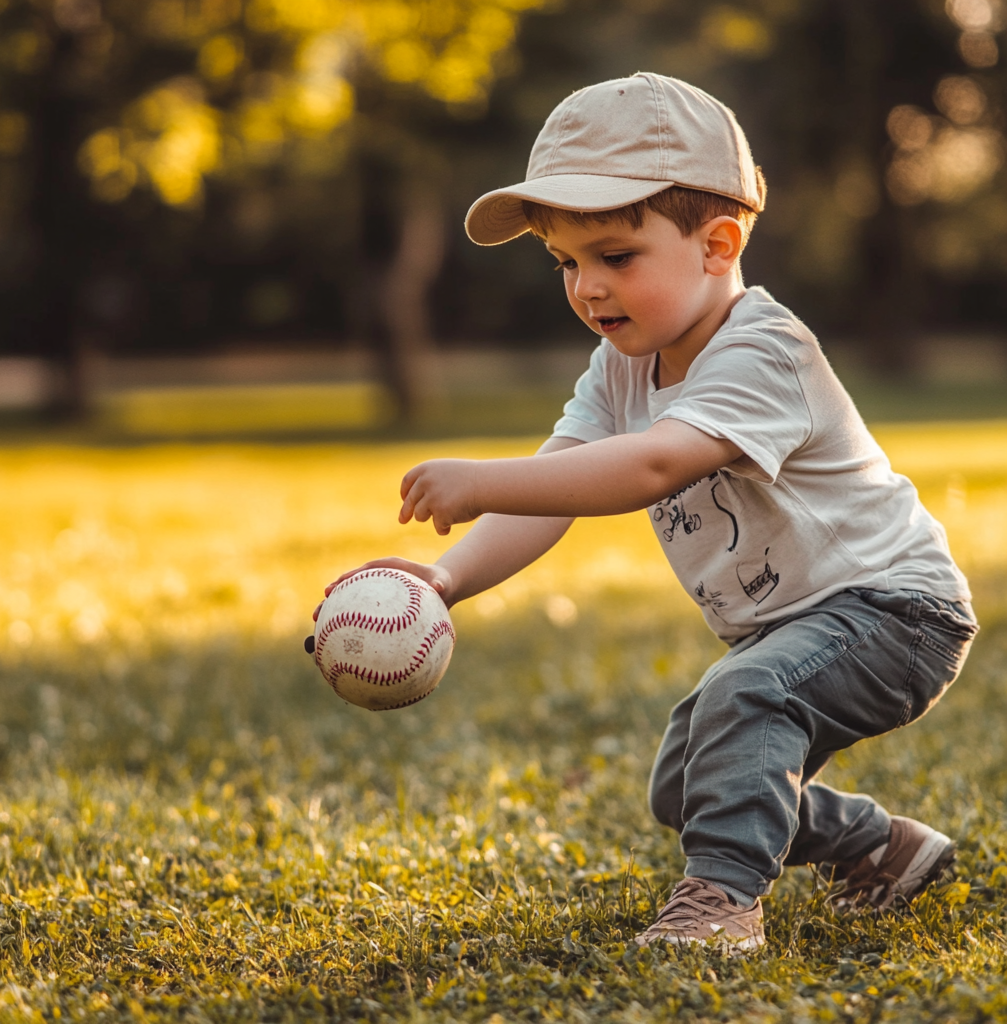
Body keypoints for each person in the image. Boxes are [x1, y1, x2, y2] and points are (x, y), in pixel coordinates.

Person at [320, 73, 978, 951]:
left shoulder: (763, 349)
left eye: (615, 256)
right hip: (798, 624)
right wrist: (445, 576)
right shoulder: (623, 365)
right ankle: (879, 847)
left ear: (717, 244)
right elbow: (560, 487)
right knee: (686, 784)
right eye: (565, 262)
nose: (587, 288)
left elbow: (653, 465)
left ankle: (720, 907)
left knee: (747, 699)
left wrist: (479, 477)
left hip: (895, 611)